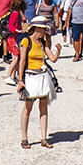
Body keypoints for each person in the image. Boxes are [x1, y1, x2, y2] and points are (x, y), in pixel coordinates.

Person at [17, 16, 55, 148]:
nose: (45, 31)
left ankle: (44, 138)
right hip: (30, 76)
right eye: (44, 29)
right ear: (37, 29)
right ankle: (24, 138)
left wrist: (58, 51)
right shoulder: (26, 41)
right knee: (28, 107)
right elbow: (21, 61)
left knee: (43, 107)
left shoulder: (42, 43)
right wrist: (20, 80)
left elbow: (52, 59)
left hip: (42, 76)